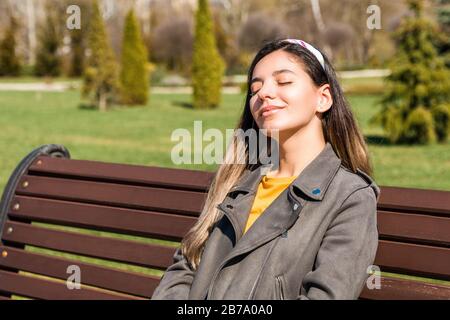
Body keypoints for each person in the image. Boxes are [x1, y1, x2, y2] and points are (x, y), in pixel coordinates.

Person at [151, 38, 380, 300]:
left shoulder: (350, 197)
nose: (263, 93)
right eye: (255, 88)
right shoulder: (236, 181)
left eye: (283, 82)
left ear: (323, 98)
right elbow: (187, 264)